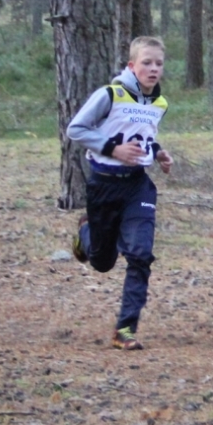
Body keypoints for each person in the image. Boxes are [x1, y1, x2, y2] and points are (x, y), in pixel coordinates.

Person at [66, 36, 175, 350]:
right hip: (104, 185)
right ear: (132, 65)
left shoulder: (159, 102)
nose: (153, 69)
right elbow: (76, 129)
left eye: (158, 63)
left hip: (137, 185)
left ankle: (125, 330)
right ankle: (86, 232)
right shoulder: (110, 95)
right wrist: (113, 148)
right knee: (102, 262)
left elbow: (144, 137)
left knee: (140, 254)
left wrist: (158, 153)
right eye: (146, 62)